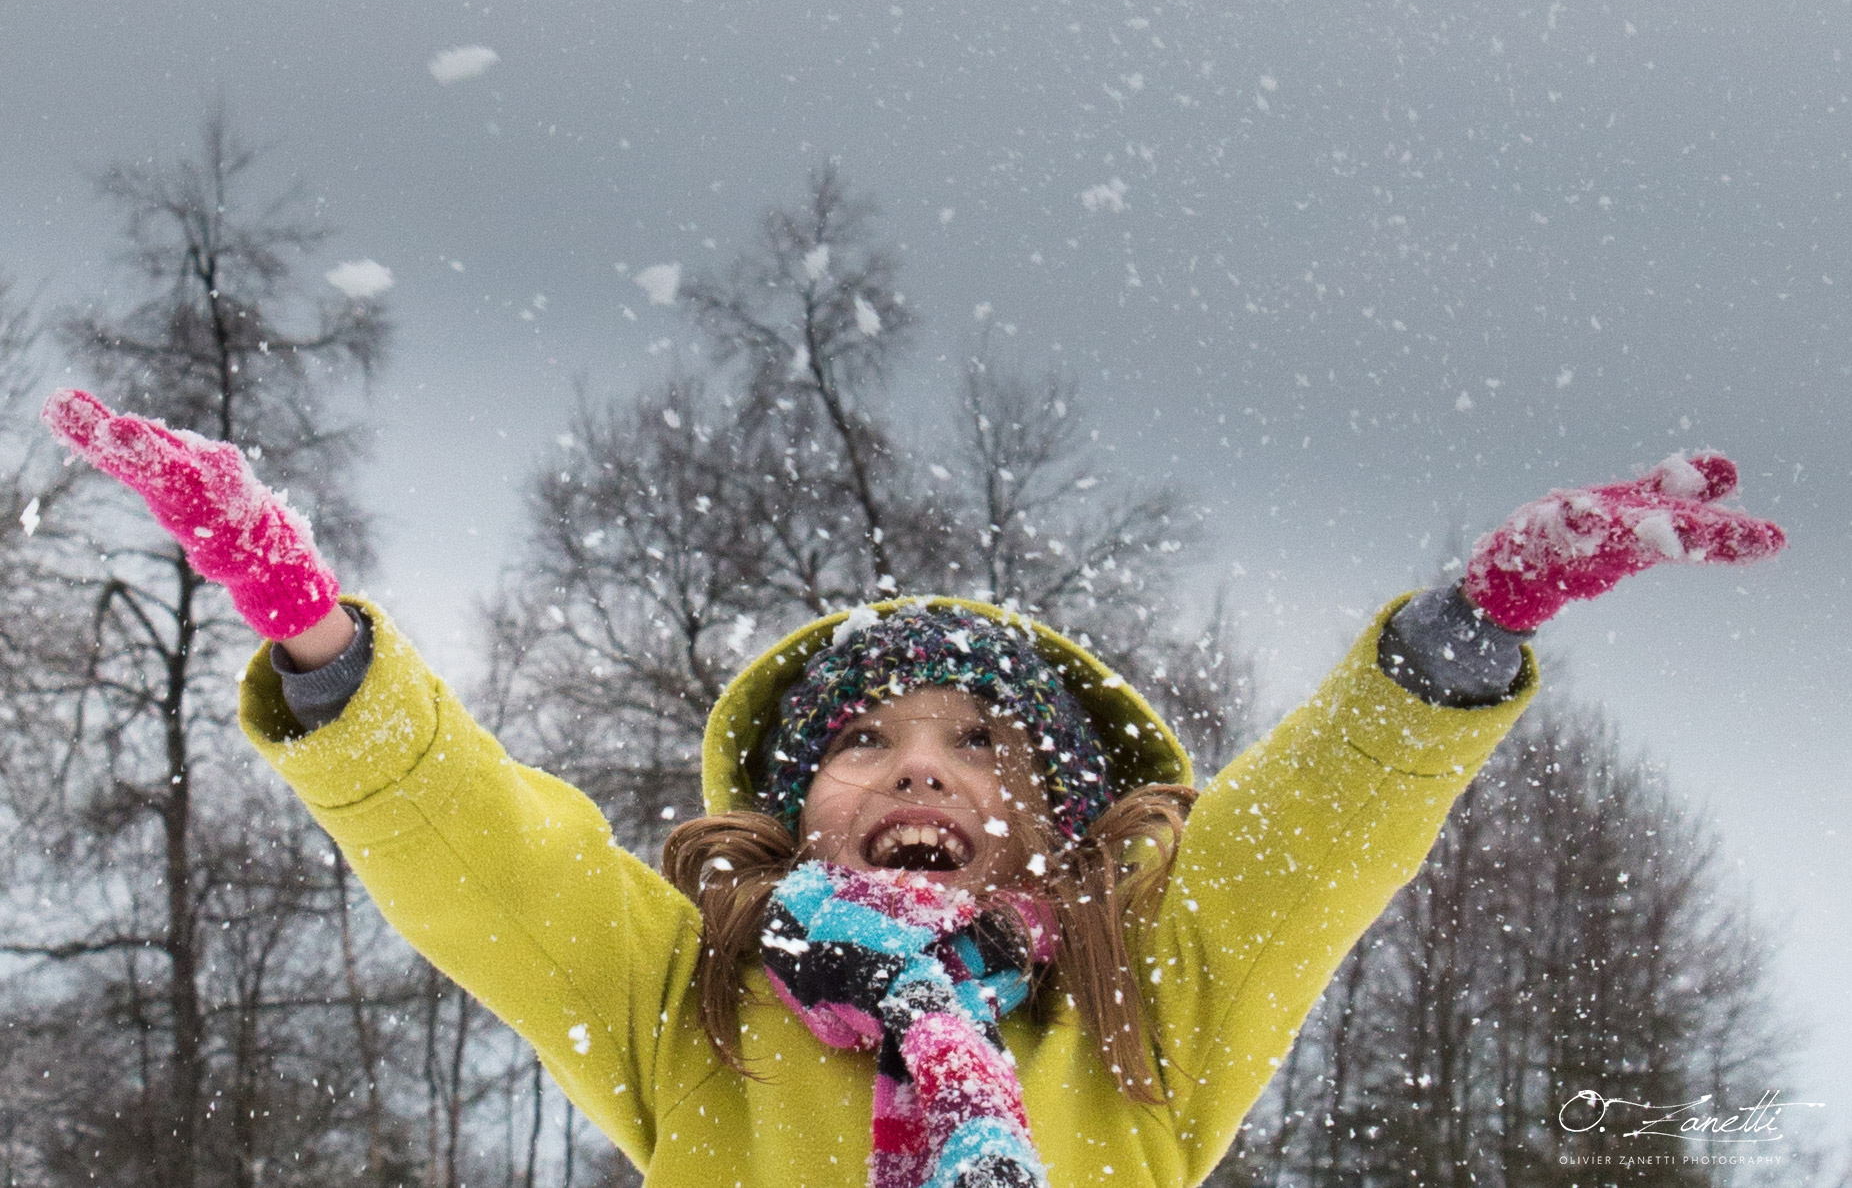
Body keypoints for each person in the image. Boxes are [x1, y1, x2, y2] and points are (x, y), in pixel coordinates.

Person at [40, 388, 1784, 1188]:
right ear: (799, 810)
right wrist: (328, 651)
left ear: (1056, 808)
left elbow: (1320, 833)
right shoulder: (694, 995)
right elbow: (478, 846)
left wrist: (1464, 635)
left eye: (978, 743)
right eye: (865, 744)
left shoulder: (1142, 1001)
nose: (916, 770)